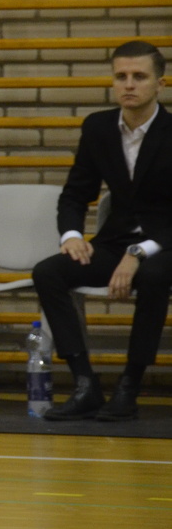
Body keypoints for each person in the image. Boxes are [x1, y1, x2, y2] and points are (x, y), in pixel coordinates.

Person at [32, 40, 170, 421]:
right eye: (121, 76)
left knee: (155, 275)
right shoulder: (98, 127)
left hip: (165, 243)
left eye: (139, 76)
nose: (129, 84)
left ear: (160, 84)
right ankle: (85, 384)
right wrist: (72, 236)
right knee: (48, 272)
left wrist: (139, 252)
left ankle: (129, 387)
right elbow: (76, 193)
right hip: (116, 239)